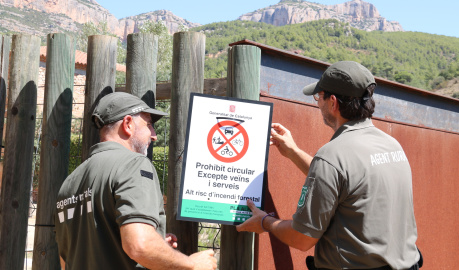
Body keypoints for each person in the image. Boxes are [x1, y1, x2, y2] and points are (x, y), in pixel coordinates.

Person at [237, 61, 422, 270]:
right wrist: (293, 152)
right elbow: (346, 184)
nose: (318, 103)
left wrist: (265, 222)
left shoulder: (332, 156)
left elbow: (302, 238)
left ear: (333, 102)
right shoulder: (391, 145)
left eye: (319, 97)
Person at [55, 92, 217, 270]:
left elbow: (68, 259)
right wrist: (192, 265)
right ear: (128, 124)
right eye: (149, 125)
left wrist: (157, 247)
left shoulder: (69, 183)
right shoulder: (133, 164)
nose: (153, 135)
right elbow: (139, 245)